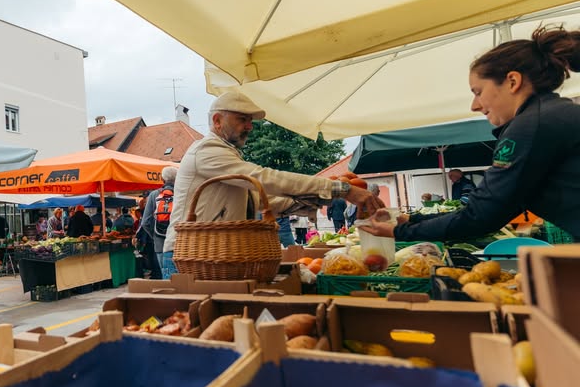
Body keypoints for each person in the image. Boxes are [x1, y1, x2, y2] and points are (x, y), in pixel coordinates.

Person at [361, 26, 580, 242]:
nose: (475, 105)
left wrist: (400, 232)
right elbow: (493, 208)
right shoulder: (549, 116)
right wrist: (411, 219)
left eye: (478, 92)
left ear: (513, 81)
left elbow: (479, 216)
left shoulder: (530, 127)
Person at [161, 90, 382, 277]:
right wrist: (339, 189)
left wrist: (303, 203)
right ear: (217, 121)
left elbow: (255, 199)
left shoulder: (226, 154)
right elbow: (264, 178)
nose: (249, 126)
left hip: (210, 253)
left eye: (250, 121)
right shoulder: (207, 150)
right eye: (242, 119)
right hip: (188, 254)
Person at [141, 166, 177, 272]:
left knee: (166, 275)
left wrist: (155, 236)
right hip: (178, 242)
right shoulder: (181, 193)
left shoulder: (154, 195)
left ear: (163, 179)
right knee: (182, 278)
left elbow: (145, 222)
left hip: (160, 243)